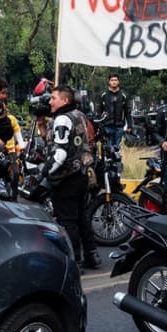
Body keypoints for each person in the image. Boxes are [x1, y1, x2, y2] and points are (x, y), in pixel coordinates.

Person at [44, 85, 100, 272]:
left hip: (66, 178)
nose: (50, 101)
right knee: (82, 218)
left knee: (68, 221)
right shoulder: (79, 115)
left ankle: (74, 261)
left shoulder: (62, 118)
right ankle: (92, 255)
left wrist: (46, 171)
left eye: (53, 98)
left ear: (64, 100)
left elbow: (60, 152)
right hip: (82, 175)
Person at [96, 73, 130, 150]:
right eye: (112, 80)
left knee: (117, 149)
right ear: (109, 82)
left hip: (119, 126)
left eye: (115, 80)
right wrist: (99, 125)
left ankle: (117, 161)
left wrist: (130, 125)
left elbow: (127, 111)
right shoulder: (103, 95)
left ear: (119, 82)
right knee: (108, 149)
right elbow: (98, 111)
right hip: (107, 126)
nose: (114, 82)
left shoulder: (123, 95)